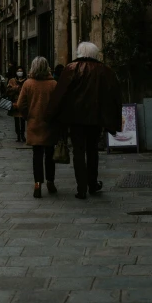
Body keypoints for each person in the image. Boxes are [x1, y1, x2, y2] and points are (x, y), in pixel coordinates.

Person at [48, 41, 122, 200]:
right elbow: (114, 94)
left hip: (75, 119)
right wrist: (112, 118)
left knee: (78, 152)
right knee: (93, 150)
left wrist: (54, 116)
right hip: (95, 118)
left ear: (79, 53)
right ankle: (93, 183)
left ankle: (81, 188)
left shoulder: (70, 69)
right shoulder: (105, 70)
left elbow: (60, 94)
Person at [17, 56, 58, 199]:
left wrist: (28, 116)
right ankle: (51, 181)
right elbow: (58, 104)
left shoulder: (28, 84)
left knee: (37, 155)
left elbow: (21, 104)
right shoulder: (53, 84)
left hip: (34, 124)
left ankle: (37, 184)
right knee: (50, 154)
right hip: (49, 124)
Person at [7, 67, 27, 142]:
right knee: (16, 120)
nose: (20, 72)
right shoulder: (12, 81)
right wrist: (15, 88)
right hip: (14, 103)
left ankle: (22, 135)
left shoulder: (26, 81)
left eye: (21, 71)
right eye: (18, 71)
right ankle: (18, 135)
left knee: (22, 120)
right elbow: (8, 91)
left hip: (23, 103)